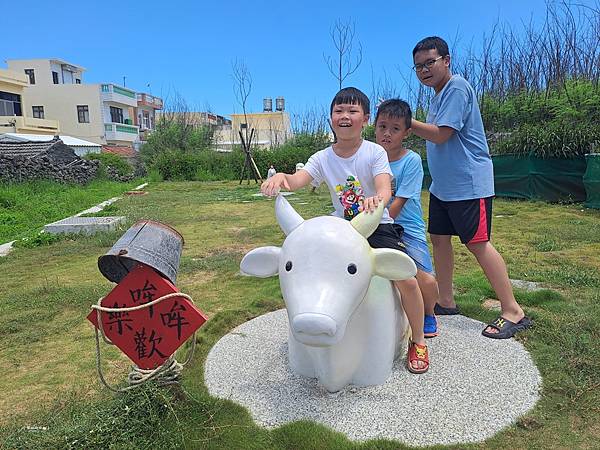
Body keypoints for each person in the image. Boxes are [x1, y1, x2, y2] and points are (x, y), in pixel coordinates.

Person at [262, 87, 430, 373]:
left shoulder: (374, 152)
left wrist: (377, 199)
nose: (345, 116)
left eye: (352, 111)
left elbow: (384, 187)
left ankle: (419, 339)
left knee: (408, 280)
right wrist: (280, 178)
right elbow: (297, 179)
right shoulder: (322, 157)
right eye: (339, 111)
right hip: (342, 233)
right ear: (330, 118)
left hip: (376, 226)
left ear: (364, 119)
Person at [409, 36, 531, 338]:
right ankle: (445, 301)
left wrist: (404, 121)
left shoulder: (457, 88)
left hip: (469, 185)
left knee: (477, 244)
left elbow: (441, 135)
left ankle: (513, 310)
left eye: (430, 63)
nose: (424, 70)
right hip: (442, 187)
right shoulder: (436, 96)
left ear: (446, 61)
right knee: (438, 239)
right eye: (418, 67)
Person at [374, 99, 440, 338]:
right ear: (374, 125)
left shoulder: (410, 161)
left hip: (404, 227)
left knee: (425, 280)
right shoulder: (370, 156)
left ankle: (429, 312)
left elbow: (398, 203)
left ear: (407, 132)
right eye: (382, 126)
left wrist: (374, 227)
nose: (387, 134)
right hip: (376, 224)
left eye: (395, 129)